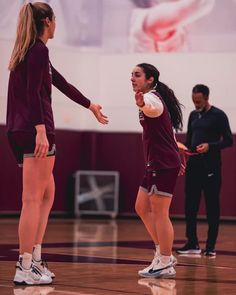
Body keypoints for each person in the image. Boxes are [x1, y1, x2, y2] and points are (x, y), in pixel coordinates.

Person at [7, 2, 108, 285]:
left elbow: (59, 82)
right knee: (32, 199)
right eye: (55, 20)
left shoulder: (32, 51)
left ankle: (35, 259)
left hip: (18, 131)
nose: (56, 24)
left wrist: (90, 105)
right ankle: (25, 265)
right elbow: (32, 94)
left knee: (47, 193)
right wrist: (40, 129)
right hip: (34, 130)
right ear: (48, 21)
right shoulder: (37, 50)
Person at [131, 63, 183, 278]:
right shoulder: (153, 97)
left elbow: (154, 108)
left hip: (162, 164)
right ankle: (163, 253)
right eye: (131, 75)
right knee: (141, 207)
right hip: (156, 162)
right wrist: (178, 152)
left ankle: (164, 260)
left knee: (161, 213)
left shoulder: (152, 99)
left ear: (150, 79)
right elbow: (168, 130)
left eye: (137, 75)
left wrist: (143, 104)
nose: (132, 78)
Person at [176, 84, 233, 256]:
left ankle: (210, 246)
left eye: (199, 101)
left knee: (212, 207)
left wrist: (210, 146)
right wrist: (184, 149)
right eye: (194, 101)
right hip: (194, 166)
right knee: (190, 206)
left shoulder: (219, 115)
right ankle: (192, 243)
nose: (196, 104)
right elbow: (189, 138)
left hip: (211, 167)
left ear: (207, 98)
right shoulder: (193, 115)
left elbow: (229, 141)